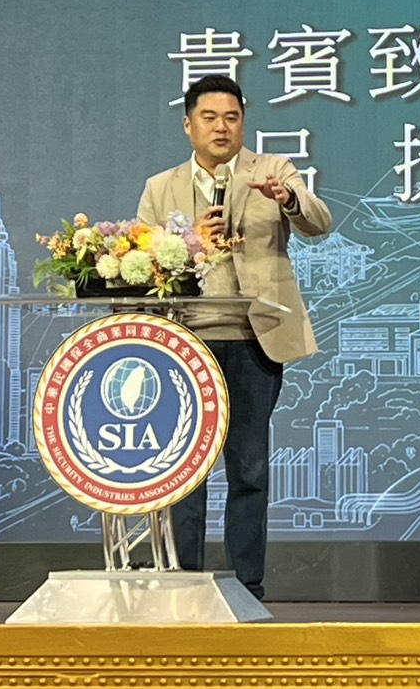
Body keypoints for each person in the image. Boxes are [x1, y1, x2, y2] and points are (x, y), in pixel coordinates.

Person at [136, 73, 331, 601]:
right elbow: (141, 264)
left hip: (253, 339)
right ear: (188, 125)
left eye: (232, 117)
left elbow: (319, 222)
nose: (221, 127)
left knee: (249, 467)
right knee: (185, 472)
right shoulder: (160, 187)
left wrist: (288, 198)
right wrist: (189, 241)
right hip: (186, 343)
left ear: (243, 122)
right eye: (209, 118)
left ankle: (248, 587)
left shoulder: (272, 171)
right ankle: (183, 583)